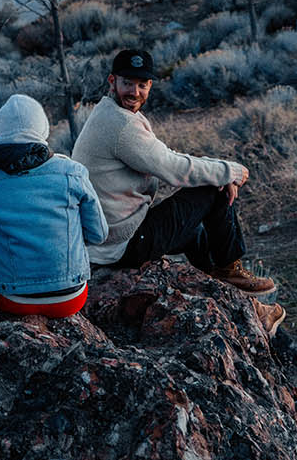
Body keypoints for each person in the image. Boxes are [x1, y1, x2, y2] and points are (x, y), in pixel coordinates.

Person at [73, 48, 284, 334]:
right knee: (211, 190)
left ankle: (248, 306)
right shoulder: (120, 125)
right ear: (112, 81)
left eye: (142, 84)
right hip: (120, 244)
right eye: (127, 83)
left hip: (110, 238)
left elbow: (164, 155)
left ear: (150, 86)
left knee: (196, 235)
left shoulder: (112, 113)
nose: (134, 91)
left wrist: (216, 166)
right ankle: (229, 267)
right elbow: (174, 169)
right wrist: (228, 171)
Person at [0, 93, 106, 318]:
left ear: (2, 130)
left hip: (11, 299)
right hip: (70, 297)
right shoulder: (73, 172)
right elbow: (99, 234)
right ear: (42, 128)